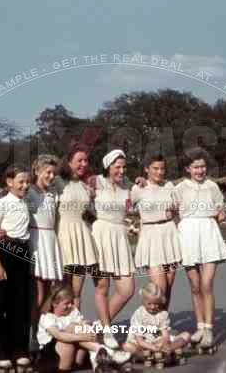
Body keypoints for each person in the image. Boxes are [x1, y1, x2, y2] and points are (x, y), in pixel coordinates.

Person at [171, 147, 226, 350]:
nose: (200, 170)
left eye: (203, 166)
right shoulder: (178, 189)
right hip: (187, 234)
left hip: (209, 232)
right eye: (196, 167)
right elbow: (171, 210)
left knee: (207, 284)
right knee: (195, 286)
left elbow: (220, 208)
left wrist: (220, 213)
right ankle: (200, 327)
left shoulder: (212, 186)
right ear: (188, 168)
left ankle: (209, 329)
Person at [0, 165, 34, 373]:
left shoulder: (27, 203)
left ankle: (20, 350)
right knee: (0, 306)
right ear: (9, 182)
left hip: (22, 253)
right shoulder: (2, 204)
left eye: (27, 181)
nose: (24, 185)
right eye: (20, 181)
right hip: (4, 253)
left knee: (21, 305)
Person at [88, 149, 136, 349]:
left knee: (127, 289)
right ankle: (107, 332)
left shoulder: (128, 185)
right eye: (117, 167)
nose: (122, 171)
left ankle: (99, 325)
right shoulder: (94, 181)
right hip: (99, 234)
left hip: (120, 236)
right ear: (108, 167)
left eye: (124, 167)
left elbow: (136, 202)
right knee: (102, 288)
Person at [37, 285, 131, 372]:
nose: (70, 305)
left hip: (76, 358)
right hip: (52, 357)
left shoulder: (72, 312)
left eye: (71, 302)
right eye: (67, 303)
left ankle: (98, 361)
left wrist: (88, 325)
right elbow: (59, 335)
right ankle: (108, 353)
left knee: (82, 326)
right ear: (54, 303)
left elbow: (83, 326)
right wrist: (84, 337)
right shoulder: (47, 317)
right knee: (73, 327)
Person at [130, 153, 182, 309]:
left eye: (162, 169)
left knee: (168, 289)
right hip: (150, 237)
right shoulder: (138, 188)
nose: (160, 172)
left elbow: (177, 207)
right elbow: (125, 207)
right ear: (146, 169)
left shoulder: (169, 186)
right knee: (159, 289)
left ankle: (162, 325)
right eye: (155, 169)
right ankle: (148, 324)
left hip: (169, 235)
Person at [54, 146, 99, 310]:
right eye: (79, 160)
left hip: (82, 237)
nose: (84, 164)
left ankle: (76, 326)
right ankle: (54, 330)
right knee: (60, 291)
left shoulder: (84, 186)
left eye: (86, 160)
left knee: (77, 292)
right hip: (63, 237)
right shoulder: (57, 182)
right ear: (68, 162)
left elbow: (91, 216)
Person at [27, 155, 65, 348]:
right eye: (47, 172)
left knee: (53, 292)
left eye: (53, 173)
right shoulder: (29, 192)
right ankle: (33, 335)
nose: (51, 176)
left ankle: (46, 331)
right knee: (39, 293)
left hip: (51, 241)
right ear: (37, 171)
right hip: (37, 241)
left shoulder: (53, 194)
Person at [122, 282, 190, 356]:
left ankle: (167, 350)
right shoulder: (139, 314)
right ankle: (145, 355)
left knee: (186, 335)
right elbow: (140, 340)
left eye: (156, 304)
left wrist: (164, 343)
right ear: (143, 300)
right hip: (142, 344)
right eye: (149, 304)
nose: (153, 307)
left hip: (158, 341)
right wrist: (153, 347)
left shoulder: (163, 314)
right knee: (127, 346)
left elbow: (165, 335)